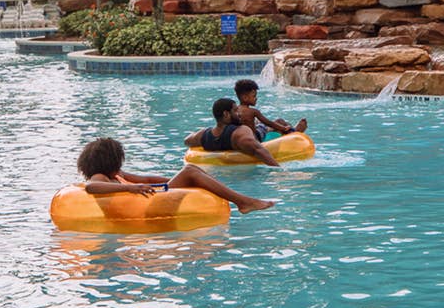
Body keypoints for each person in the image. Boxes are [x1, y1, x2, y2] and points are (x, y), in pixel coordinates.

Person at [77, 137, 275, 214]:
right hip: (147, 206)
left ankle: (237, 198)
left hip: (151, 199)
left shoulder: (117, 175)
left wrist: (173, 179)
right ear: (108, 161)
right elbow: (91, 187)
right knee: (189, 171)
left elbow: (145, 179)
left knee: (191, 171)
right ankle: (243, 202)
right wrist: (130, 187)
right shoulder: (100, 177)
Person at [183, 98, 281, 168]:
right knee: (271, 125)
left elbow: (187, 141)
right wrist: (280, 170)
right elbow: (258, 150)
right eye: (235, 111)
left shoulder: (204, 135)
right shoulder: (239, 132)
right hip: (246, 177)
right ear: (226, 114)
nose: (240, 114)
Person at [234, 79, 308, 141]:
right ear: (245, 98)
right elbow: (269, 123)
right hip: (256, 137)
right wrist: (284, 128)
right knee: (279, 121)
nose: (256, 98)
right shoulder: (253, 111)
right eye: (254, 96)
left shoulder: (235, 110)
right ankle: (294, 131)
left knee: (259, 123)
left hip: (245, 138)